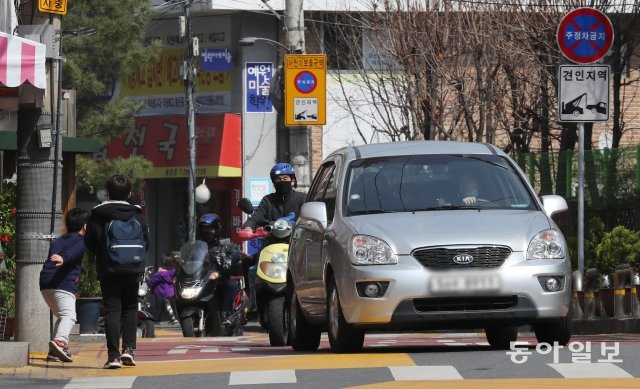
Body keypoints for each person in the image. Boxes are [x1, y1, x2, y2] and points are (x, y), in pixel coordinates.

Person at [84, 174, 150, 369]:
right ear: (129, 193)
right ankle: (129, 350)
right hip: (133, 267)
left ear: (107, 192)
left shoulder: (98, 215)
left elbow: (90, 243)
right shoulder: (137, 215)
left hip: (108, 267)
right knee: (130, 308)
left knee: (112, 309)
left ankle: (113, 356)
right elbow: (146, 242)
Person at [240, 163, 306, 310]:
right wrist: (248, 227)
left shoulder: (303, 199)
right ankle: (253, 303)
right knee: (252, 269)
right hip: (270, 246)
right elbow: (255, 217)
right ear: (273, 182)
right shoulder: (267, 201)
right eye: (277, 179)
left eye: (285, 177)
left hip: (296, 245)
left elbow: (312, 217)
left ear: (292, 180)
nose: (282, 181)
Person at [39, 207, 90, 363]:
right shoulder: (81, 241)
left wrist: (62, 258)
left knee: (62, 317)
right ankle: (60, 342)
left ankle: (54, 353)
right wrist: (64, 259)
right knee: (69, 316)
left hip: (45, 284)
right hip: (62, 283)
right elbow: (74, 252)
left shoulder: (60, 239)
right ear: (85, 226)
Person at [197, 213, 243, 326]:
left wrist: (225, 259)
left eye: (210, 229)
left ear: (217, 229)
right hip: (201, 280)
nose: (206, 231)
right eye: (204, 228)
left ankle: (226, 313)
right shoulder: (197, 246)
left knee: (229, 285)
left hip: (220, 279)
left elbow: (234, 256)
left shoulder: (227, 245)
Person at [147, 254, 178, 324]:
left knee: (167, 305)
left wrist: (148, 283)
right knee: (164, 305)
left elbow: (152, 281)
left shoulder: (160, 274)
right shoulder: (172, 271)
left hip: (163, 292)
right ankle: (158, 319)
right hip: (171, 291)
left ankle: (173, 318)